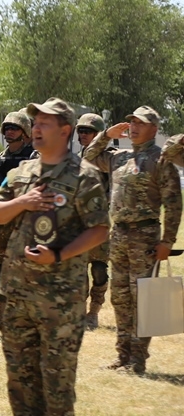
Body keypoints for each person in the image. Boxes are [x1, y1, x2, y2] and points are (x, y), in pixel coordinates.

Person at [0, 98, 110, 416]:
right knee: (20, 371)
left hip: (60, 297)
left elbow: (100, 230)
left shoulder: (84, 175)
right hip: (18, 290)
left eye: (46, 122)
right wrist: (22, 202)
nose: (37, 127)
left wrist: (59, 256)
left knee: (56, 372)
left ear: (65, 130)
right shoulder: (22, 171)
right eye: (35, 121)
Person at [83, 106, 182, 374]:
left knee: (142, 299)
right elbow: (88, 157)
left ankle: (138, 359)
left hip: (146, 236)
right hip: (119, 235)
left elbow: (173, 204)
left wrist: (167, 242)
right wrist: (106, 134)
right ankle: (122, 355)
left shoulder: (161, 160)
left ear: (154, 129)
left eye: (142, 123)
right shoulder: (119, 157)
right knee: (120, 297)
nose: (135, 127)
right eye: (132, 122)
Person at [0, 111, 35, 328]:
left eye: (14, 128)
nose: (9, 132)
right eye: (6, 128)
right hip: (0, 219)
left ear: (25, 132)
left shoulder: (34, 158)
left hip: (23, 220)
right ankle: (2, 309)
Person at [76, 113, 112, 328]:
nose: (82, 134)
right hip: (79, 222)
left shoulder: (106, 157)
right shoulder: (75, 158)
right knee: (79, 269)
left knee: (99, 269)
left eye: (87, 131)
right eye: (80, 130)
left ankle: (94, 310)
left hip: (99, 222)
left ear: (98, 134)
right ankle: (81, 311)